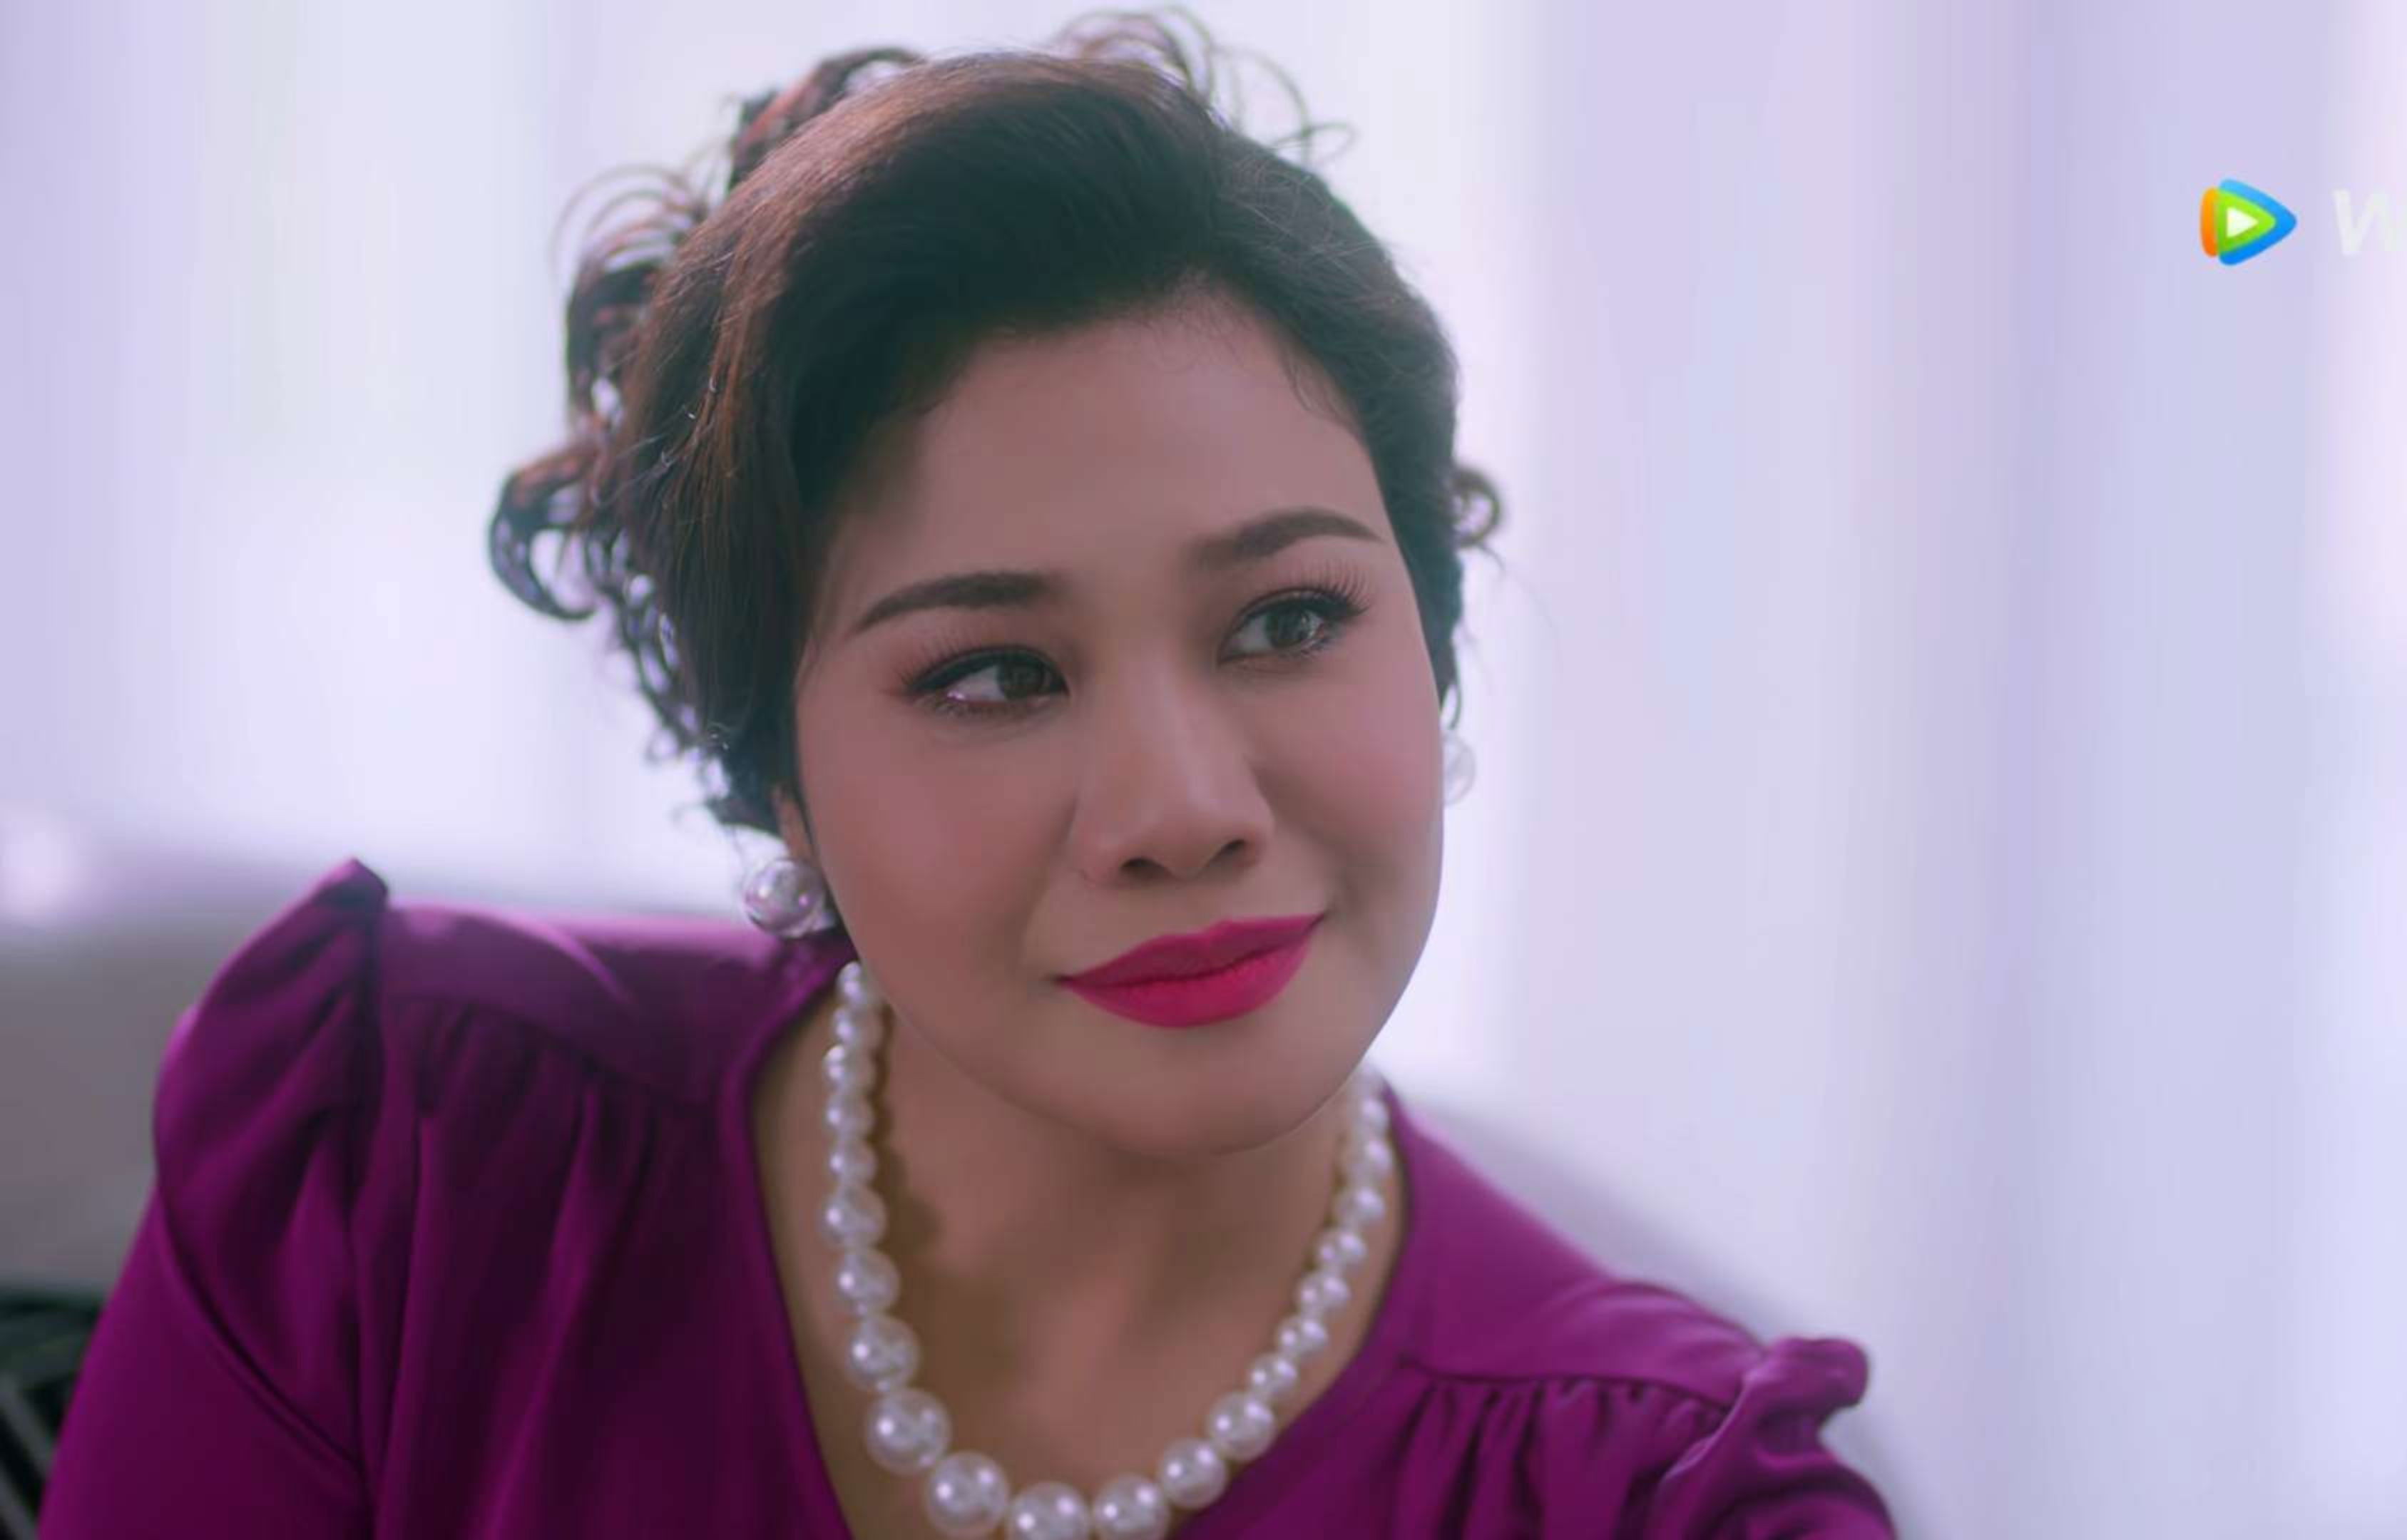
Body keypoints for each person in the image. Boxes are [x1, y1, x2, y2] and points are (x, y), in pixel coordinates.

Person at [41, 11, 1894, 1536]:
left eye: (1286, 621)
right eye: (995, 673)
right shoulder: (406, 1169)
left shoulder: (1669, 1504)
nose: (1183, 810)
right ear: (776, 775)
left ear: (1434, 633)